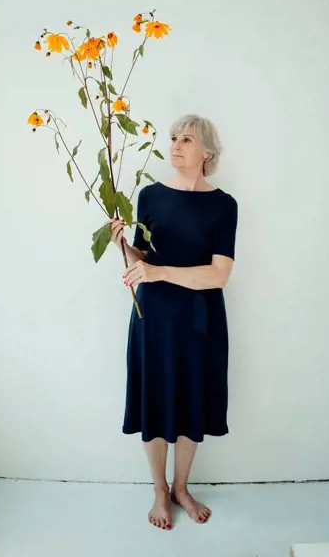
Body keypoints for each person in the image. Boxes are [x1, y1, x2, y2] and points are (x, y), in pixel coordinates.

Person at [110, 114, 238, 531]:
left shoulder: (224, 205)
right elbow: (144, 263)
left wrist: (160, 273)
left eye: (187, 139)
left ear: (207, 153)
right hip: (155, 317)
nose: (177, 145)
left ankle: (182, 487)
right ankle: (159, 491)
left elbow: (218, 274)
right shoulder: (149, 196)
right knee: (155, 400)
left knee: (192, 402)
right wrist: (124, 246)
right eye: (173, 138)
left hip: (199, 320)